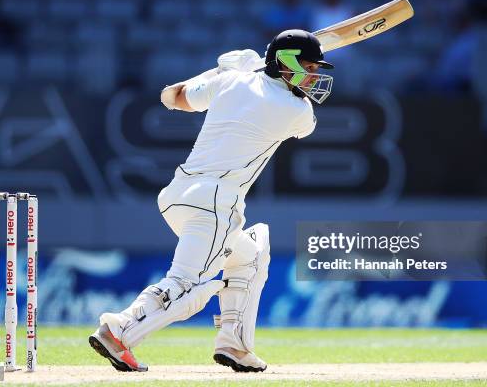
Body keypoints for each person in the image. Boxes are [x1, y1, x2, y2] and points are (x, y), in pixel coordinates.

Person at [88, 29, 334, 373]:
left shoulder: (231, 81)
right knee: (190, 285)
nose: (313, 77)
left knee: (252, 251)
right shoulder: (294, 108)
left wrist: (218, 73)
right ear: (286, 63)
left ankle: (235, 345)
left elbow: (170, 97)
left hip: (180, 196)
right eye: (308, 66)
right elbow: (304, 124)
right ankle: (119, 331)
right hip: (216, 203)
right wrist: (237, 75)